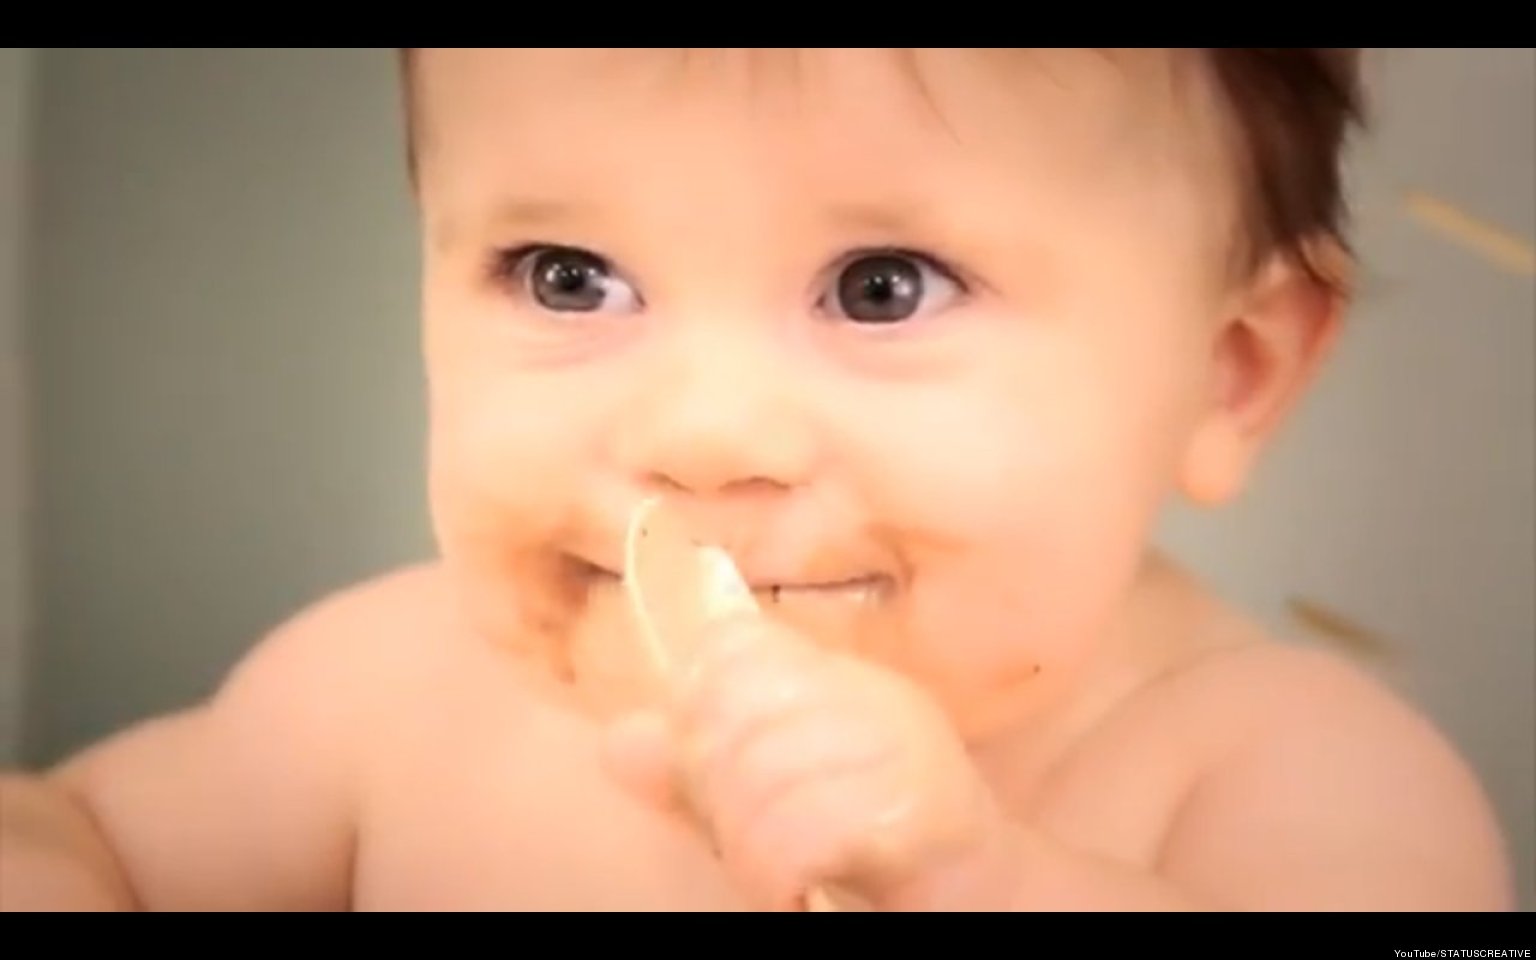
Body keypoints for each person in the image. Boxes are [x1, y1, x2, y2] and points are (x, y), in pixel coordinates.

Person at [0, 48, 1513, 911]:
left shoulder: (1283, 774)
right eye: (568, 274)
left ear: (1228, 374)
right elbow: (77, 839)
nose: (702, 434)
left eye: (883, 287)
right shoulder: (385, 695)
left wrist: (984, 882)